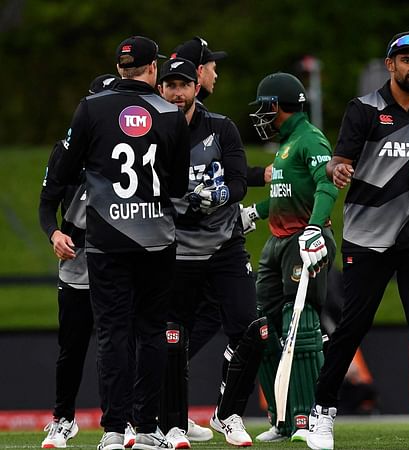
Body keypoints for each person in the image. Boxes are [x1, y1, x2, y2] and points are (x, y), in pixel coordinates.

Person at [305, 31, 409, 450]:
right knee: (352, 327)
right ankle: (321, 412)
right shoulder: (363, 110)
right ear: (390, 64)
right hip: (367, 237)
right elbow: (338, 164)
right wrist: (337, 172)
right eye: (407, 60)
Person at [50, 35, 190, 450]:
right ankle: (145, 428)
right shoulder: (170, 114)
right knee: (149, 332)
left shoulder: (91, 108)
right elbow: (178, 186)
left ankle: (114, 431)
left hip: (106, 239)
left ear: (119, 70)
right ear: (153, 71)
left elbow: (66, 169)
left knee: (111, 333)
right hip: (156, 239)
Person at [155, 57, 259, 447]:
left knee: (252, 330)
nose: (177, 93)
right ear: (160, 89)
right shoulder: (152, 133)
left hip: (224, 247)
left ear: (196, 88)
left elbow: (238, 182)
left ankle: (227, 413)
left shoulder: (222, 127)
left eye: (183, 85)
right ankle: (173, 424)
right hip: (176, 250)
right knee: (171, 339)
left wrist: (220, 195)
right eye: (170, 86)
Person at [238, 72, 338, 443]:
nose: (261, 115)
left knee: (305, 327)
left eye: (264, 107)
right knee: (262, 328)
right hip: (277, 241)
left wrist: (314, 229)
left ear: (276, 106)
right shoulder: (286, 144)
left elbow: (326, 184)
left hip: (304, 240)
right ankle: (281, 418)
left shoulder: (310, 138)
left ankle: (308, 416)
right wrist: (256, 211)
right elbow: (286, 193)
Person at [37, 74, 129, 449]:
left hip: (121, 260)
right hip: (77, 261)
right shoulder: (65, 151)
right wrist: (54, 234)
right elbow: (46, 204)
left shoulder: (131, 149)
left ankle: (122, 423)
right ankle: (63, 420)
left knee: (122, 343)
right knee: (72, 347)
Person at [173, 36, 227, 102]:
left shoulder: (166, 107)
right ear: (200, 70)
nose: (215, 76)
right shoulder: (194, 111)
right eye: (213, 69)